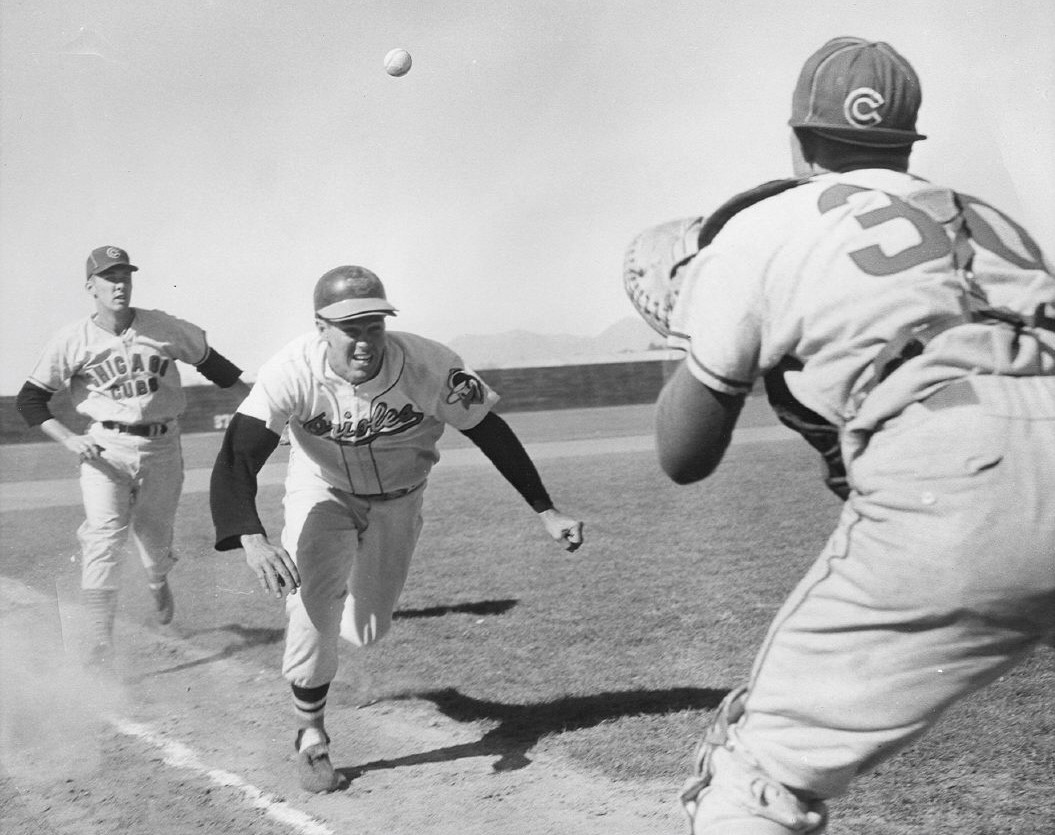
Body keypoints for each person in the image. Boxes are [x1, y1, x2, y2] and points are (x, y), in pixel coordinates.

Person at [632, 37, 1055, 834]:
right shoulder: (995, 218)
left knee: (753, 776)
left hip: (957, 463)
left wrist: (686, 340)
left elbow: (682, 457)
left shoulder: (763, 225)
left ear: (797, 139)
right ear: (906, 141)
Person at [209, 265, 585, 793]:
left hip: (400, 501)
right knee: (312, 599)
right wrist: (251, 536)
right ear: (321, 327)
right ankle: (311, 734)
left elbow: (491, 432)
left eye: (374, 326)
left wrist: (546, 510)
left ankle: (331, 636)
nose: (365, 340)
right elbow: (238, 458)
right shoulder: (291, 371)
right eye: (350, 328)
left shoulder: (431, 364)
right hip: (324, 491)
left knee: (366, 628)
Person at [16, 245, 251, 670]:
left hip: (163, 447)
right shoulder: (72, 339)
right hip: (105, 449)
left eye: (125, 275)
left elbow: (219, 368)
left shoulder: (162, 326)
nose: (119, 283)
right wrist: (69, 439)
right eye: (109, 277)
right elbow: (31, 401)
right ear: (91, 287)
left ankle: (157, 577)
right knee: (104, 537)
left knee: (155, 538)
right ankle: (98, 641)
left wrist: (263, 411)